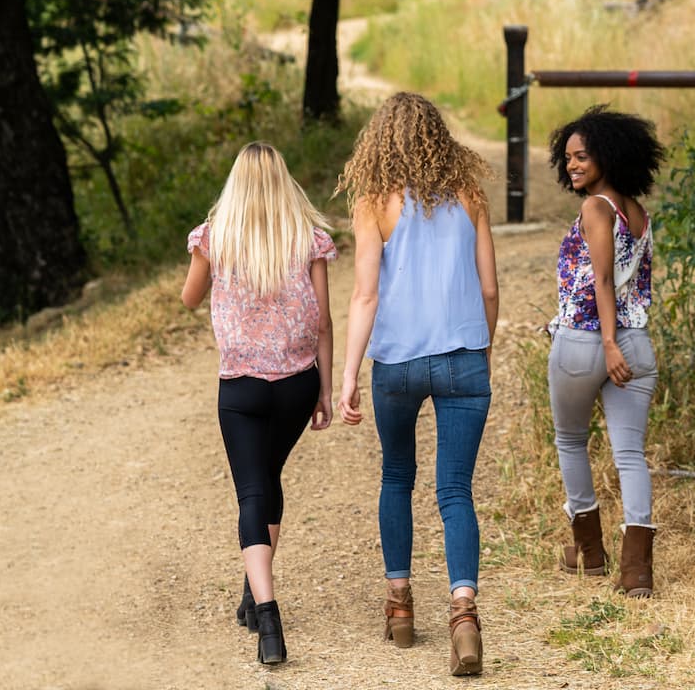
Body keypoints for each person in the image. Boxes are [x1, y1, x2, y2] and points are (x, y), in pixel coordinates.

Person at [335, 92, 498, 676]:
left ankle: (399, 607)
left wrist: (349, 374)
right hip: (462, 356)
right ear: (439, 135)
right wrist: (481, 346)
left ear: (379, 141)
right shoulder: (470, 195)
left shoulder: (373, 201)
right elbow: (488, 289)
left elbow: (364, 295)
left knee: (397, 476)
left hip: (397, 363)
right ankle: (463, 614)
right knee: (455, 490)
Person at [180, 141, 336, 667]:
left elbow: (189, 298)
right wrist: (326, 388)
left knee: (252, 489)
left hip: (242, 387)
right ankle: (254, 591)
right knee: (268, 479)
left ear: (236, 186)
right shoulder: (307, 239)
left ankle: (268, 616)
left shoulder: (216, 238)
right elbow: (323, 321)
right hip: (296, 383)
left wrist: (210, 256)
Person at [547, 105, 665, 598]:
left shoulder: (596, 208)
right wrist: (622, 343)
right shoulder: (636, 213)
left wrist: (609, 343)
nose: (573, 165)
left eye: (583, 157)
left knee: (571, 441)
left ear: (608, 157)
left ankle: (590, 552)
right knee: (630, 455)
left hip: (587, 341)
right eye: (569, 157)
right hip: (638, 343)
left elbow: (600, 282)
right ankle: (636, 569)